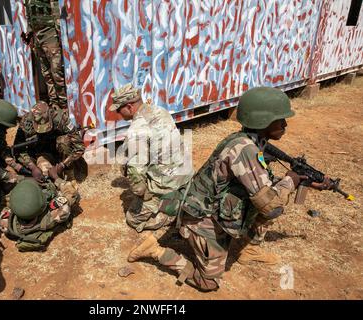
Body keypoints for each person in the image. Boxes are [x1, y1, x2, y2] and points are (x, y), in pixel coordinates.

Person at [127, 86, 332, 292]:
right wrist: (291, 180)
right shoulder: (244, 150)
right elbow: (271, 207)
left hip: (215, 208)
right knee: (208, 283)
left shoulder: (248, 140)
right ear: (263, 121)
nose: (285, 124)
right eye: (280, 120)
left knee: (273, 194)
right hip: (201, 218)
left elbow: (259, 183)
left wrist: (302, 181)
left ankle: (249, 251)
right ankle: (155, 251)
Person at [110, 83, 193, 233]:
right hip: (185, 173)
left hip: (167, 183)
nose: (118, 113)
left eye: (118, 109)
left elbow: (138, 181)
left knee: (132, 218)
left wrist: (143, 194)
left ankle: (173, 212)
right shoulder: (160, 110)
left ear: (129, 107)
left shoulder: (137, 130)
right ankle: (181, 194)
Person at [13, 101, 85, 203]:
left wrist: (62, 165)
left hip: (56, 150)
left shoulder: (60, 118)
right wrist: (31, 166)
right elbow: (18, 149)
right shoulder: (25, 122)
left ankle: (69, 174)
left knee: (64, 141)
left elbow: (79, 147)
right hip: (35, 151)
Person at [0, 166, 78, 252]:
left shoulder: (5, 221)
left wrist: (29, 179)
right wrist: (56, 177)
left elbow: (14, 198)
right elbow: (72, 194)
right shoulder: (55, 214)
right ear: (43, 207)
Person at [22, 0, 67, 109]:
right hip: (38, 37)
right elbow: (29, 15)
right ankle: (54, 103)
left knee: (56, 72)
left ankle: (64, 104)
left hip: (50, 34)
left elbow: (55, 8)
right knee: (46, 73)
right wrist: (30, 32)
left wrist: (60, 32)